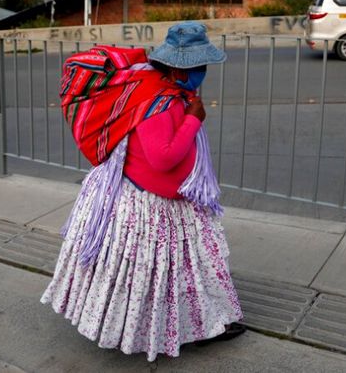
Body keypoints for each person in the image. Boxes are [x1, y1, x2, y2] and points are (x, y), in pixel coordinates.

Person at [42, 21, 244, 361]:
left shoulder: (159, 88)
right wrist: (194, 118)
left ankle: (189, 325)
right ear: (181, 68)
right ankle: (164, 330)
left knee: (168, 273)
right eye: (200, 66)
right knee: (156, 274)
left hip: (163, 198)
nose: (203, 72)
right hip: (147, 204)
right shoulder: (159, 101)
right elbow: (162, 157)